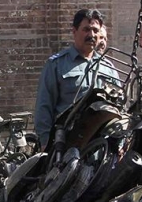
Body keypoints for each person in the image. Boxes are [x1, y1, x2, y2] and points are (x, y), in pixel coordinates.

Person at [34, 8, 118, 148]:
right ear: (74, 31)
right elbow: (44, 106)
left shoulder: (108, 67)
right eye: (86, 29)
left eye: (96, 30)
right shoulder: (57, 64)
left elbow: (118, 106)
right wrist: (45, 143)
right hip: (67, 144)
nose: (91, 35)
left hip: (102, 146)